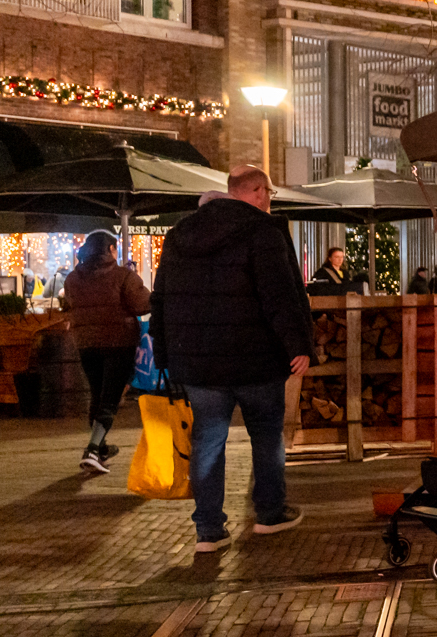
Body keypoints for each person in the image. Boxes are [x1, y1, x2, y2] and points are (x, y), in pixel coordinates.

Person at [151, 166, 314, 552]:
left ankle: (208, 530)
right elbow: (280, 294)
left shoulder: (179, 235)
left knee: (207, 440)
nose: (269, 200)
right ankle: (270, 514)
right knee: (266, 436)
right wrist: (299, 344)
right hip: (256, 359)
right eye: (269, 192)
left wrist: (163, 354)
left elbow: (161, 299)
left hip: (199, 364)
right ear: (257, 192)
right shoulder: (264, 232)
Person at [61, 231, 151, 473]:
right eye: (115, 248)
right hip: (118, 343)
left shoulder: (72, 278)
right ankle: (91, 449)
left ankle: (100, 450)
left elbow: (69, 303)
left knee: (97, 394)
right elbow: (143, 304)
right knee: (110, 398)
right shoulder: (123, 276)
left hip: (86, 344)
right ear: (110, 249)